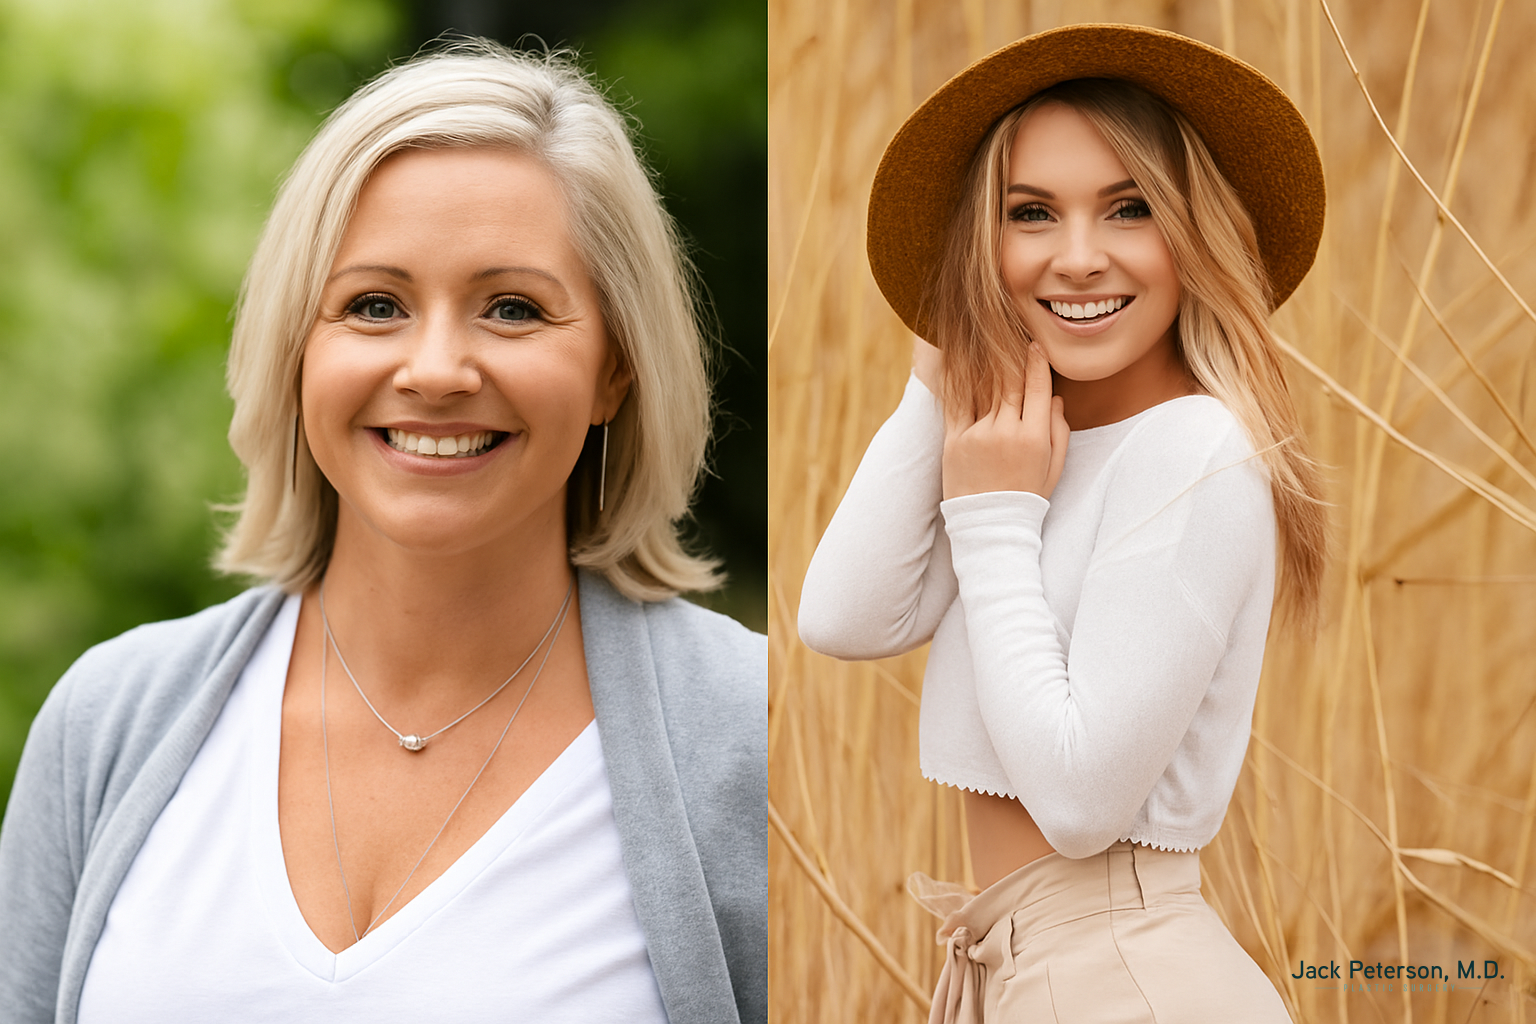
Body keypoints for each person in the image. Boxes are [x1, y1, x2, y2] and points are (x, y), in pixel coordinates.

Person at [0, 41, 765, 1024]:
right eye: (374, 305)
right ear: (296, 350)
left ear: (616, 367)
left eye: (512, 307)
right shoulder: (107, 724)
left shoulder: (756, 738)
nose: (437, 367)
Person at [798, 23, 1326, 1023]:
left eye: (1129, 209)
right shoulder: (1037, 444)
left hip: (1122, 979)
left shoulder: (1193, 450)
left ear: (1195, 234)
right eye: (1031, 214)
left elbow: (1081, 806)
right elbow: (843, 617)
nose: (1077, 259)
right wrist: (955, 355)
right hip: (1026, 972)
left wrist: (995, 518)